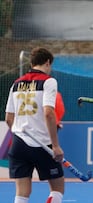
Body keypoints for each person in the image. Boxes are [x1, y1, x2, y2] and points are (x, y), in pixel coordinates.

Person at [5, 47, 65, 203]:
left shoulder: (16, 84)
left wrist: (19, 133)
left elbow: (8, 119)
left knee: (22, 193)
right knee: (57, 188)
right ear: (47, 62)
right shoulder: (48, 81)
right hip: (42, 143)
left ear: (31, 63)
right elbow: (48, 113)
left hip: (18, 143)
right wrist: (56, 145)